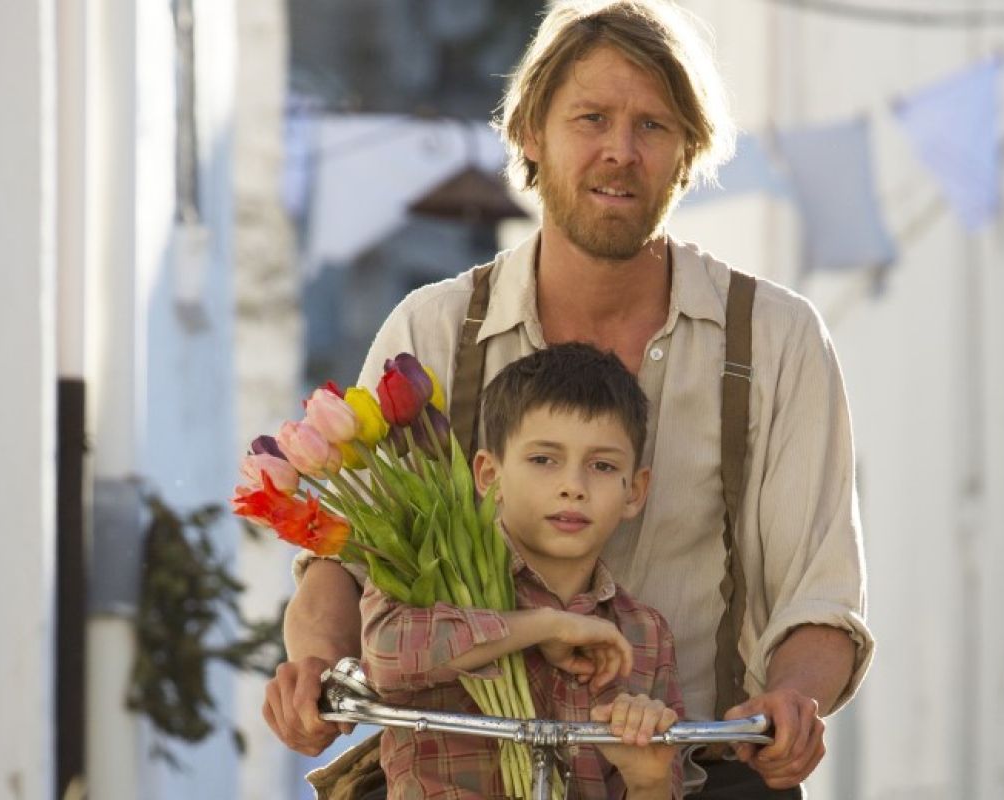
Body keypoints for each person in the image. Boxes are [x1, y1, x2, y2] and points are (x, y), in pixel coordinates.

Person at [266, 1, 875, 795]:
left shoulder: (776, 340)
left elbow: (819, 594)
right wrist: (317, 663)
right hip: (463, 772)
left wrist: (792, 699)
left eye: (653, 127)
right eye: (590, 118)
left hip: (694, 770)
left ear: (689, 151)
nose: (620, 152)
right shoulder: (437, 327)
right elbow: (345, 559)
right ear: (529, 134)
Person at [360, 343, 685, 799]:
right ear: (489, 475)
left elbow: (661, 787)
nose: (573, 486)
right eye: (543, 459)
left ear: (635, 490)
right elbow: (384, 658)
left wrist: (647, 779)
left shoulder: (645, 636)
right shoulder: (430, 573)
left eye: (603, 466)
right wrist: (544, 626)